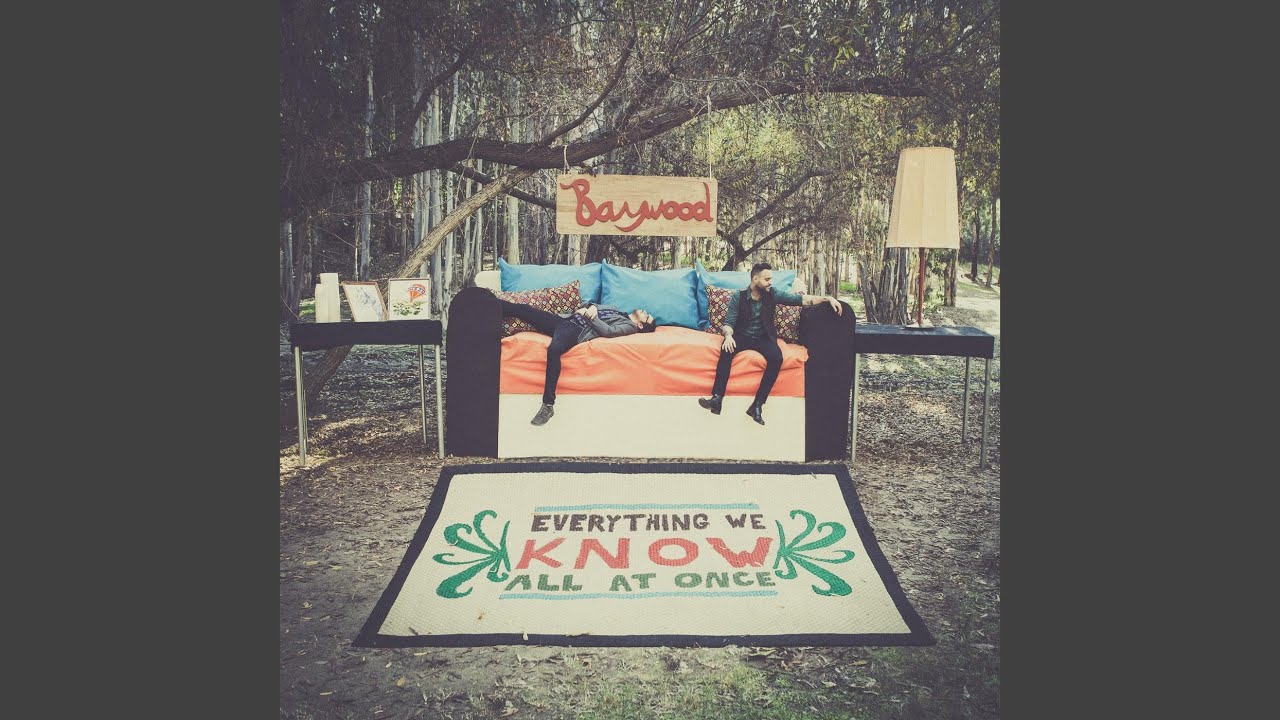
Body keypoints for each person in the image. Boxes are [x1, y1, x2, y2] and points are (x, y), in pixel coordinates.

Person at [698, 262, 843, 425]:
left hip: (763, 337)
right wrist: (729, 336)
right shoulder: (739, 296)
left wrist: (827, 298)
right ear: (755, 279)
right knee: (726, 350)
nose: (770, 282)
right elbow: (728, 323)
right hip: (742, 335)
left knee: (777, 358)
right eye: (767, 279)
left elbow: (802, 300)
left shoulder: (773, 294)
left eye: (771, 279)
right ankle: (717, 399)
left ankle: (757, 405)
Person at [497, 297, 657, 425]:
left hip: (576, 330)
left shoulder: (629, 326)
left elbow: (609, 331)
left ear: (640, 325)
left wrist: (590, 315)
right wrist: (591, 307)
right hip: (565, 321)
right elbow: (591, 305)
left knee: (554, 350)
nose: (645, 311)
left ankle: (548, 405)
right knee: (526, 310)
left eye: (647, 316)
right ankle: (491, 303)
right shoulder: (616, 309)